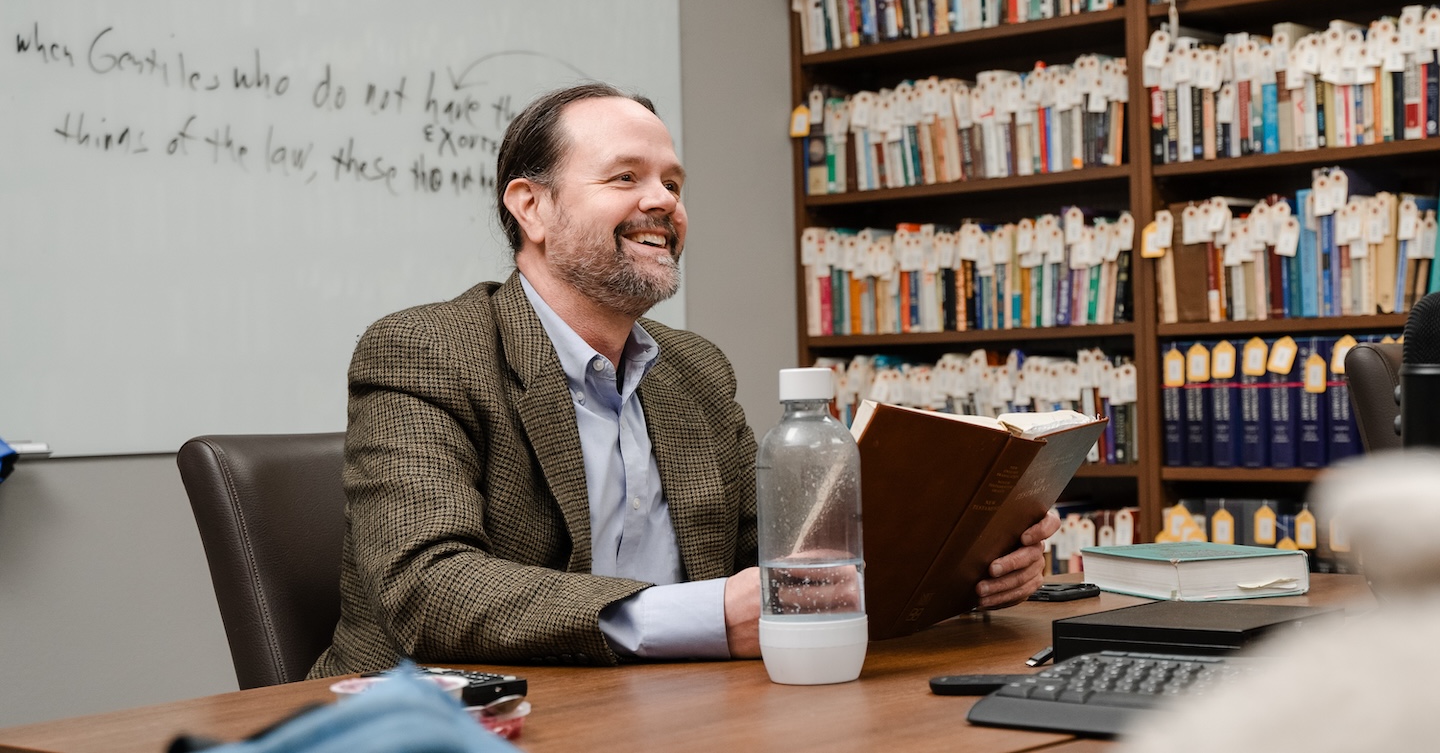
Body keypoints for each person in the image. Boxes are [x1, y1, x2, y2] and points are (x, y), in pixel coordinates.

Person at [309, 83, 1059, 677]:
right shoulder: (424, 348)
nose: (663, 201)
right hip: (451, 719)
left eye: (673, 181)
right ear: (530, 206)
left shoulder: (693, 367)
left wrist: (968, 561)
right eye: (626, 177)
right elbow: (429, 590)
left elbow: (771, 555)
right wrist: (705, 616)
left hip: (669, 706)